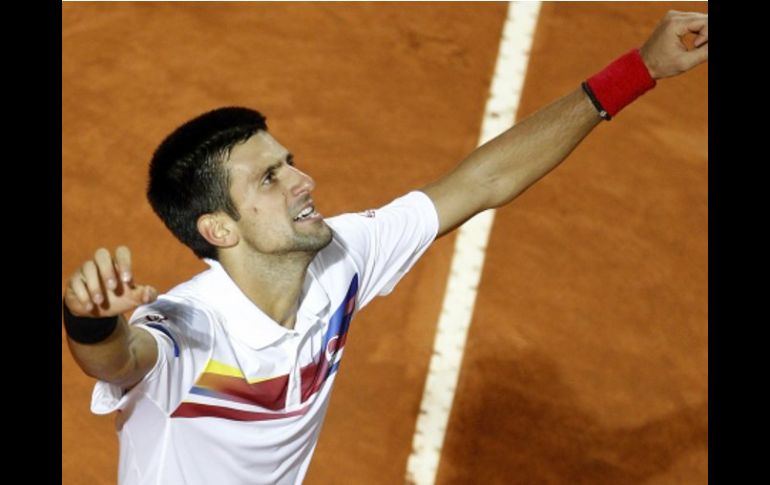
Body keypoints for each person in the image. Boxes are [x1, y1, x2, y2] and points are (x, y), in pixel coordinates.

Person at [63, 10, 707, 485]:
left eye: (289, 163)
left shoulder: (339, 258)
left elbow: (481, 182)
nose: (302, 181)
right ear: (219, 230)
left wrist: (640, 70)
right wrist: (89, 318)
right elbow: (119, 361)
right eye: (270, 178)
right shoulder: (191, 329)